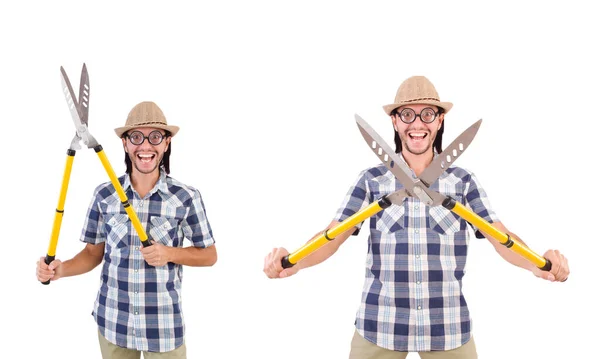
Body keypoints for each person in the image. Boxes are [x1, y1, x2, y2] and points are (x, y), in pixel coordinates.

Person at [263, 76, 569, 359]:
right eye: (407, 114)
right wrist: (294, 261)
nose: (417, 123)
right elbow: (332, 237)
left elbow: (501, 238)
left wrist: (537, 264)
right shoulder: (370, 181)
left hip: (448, 327)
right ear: (395, 122)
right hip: (379, 325)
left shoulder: (463, 182)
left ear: (439, 121)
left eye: (427, 114)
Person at [37, 101, 217, 358]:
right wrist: (60, 269)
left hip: (163, 326)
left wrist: (169, 253)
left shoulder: (186, 197)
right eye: (136, 137)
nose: (145, 146)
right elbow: (92, 254)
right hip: (114, 323)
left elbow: (209, 254)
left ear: (166, 143)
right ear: (125, 143)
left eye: (155, 137)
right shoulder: (105, 194)